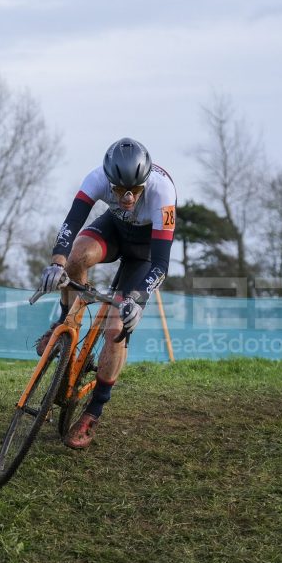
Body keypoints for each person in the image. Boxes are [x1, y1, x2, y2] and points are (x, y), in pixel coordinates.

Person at [36, 137, 177, 449]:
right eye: (119, 189)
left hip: (144, 253)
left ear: (146, 181)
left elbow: (161, 264)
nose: (127, 197)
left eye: (135, 190)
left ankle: (93, 412)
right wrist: (56, 262)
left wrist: (138, 299)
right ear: (108, 179)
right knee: (75, 259)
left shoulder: (163, 193)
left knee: (116, 327)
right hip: (113, 230)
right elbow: (71, 224)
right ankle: (66, 324)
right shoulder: (96, 177)